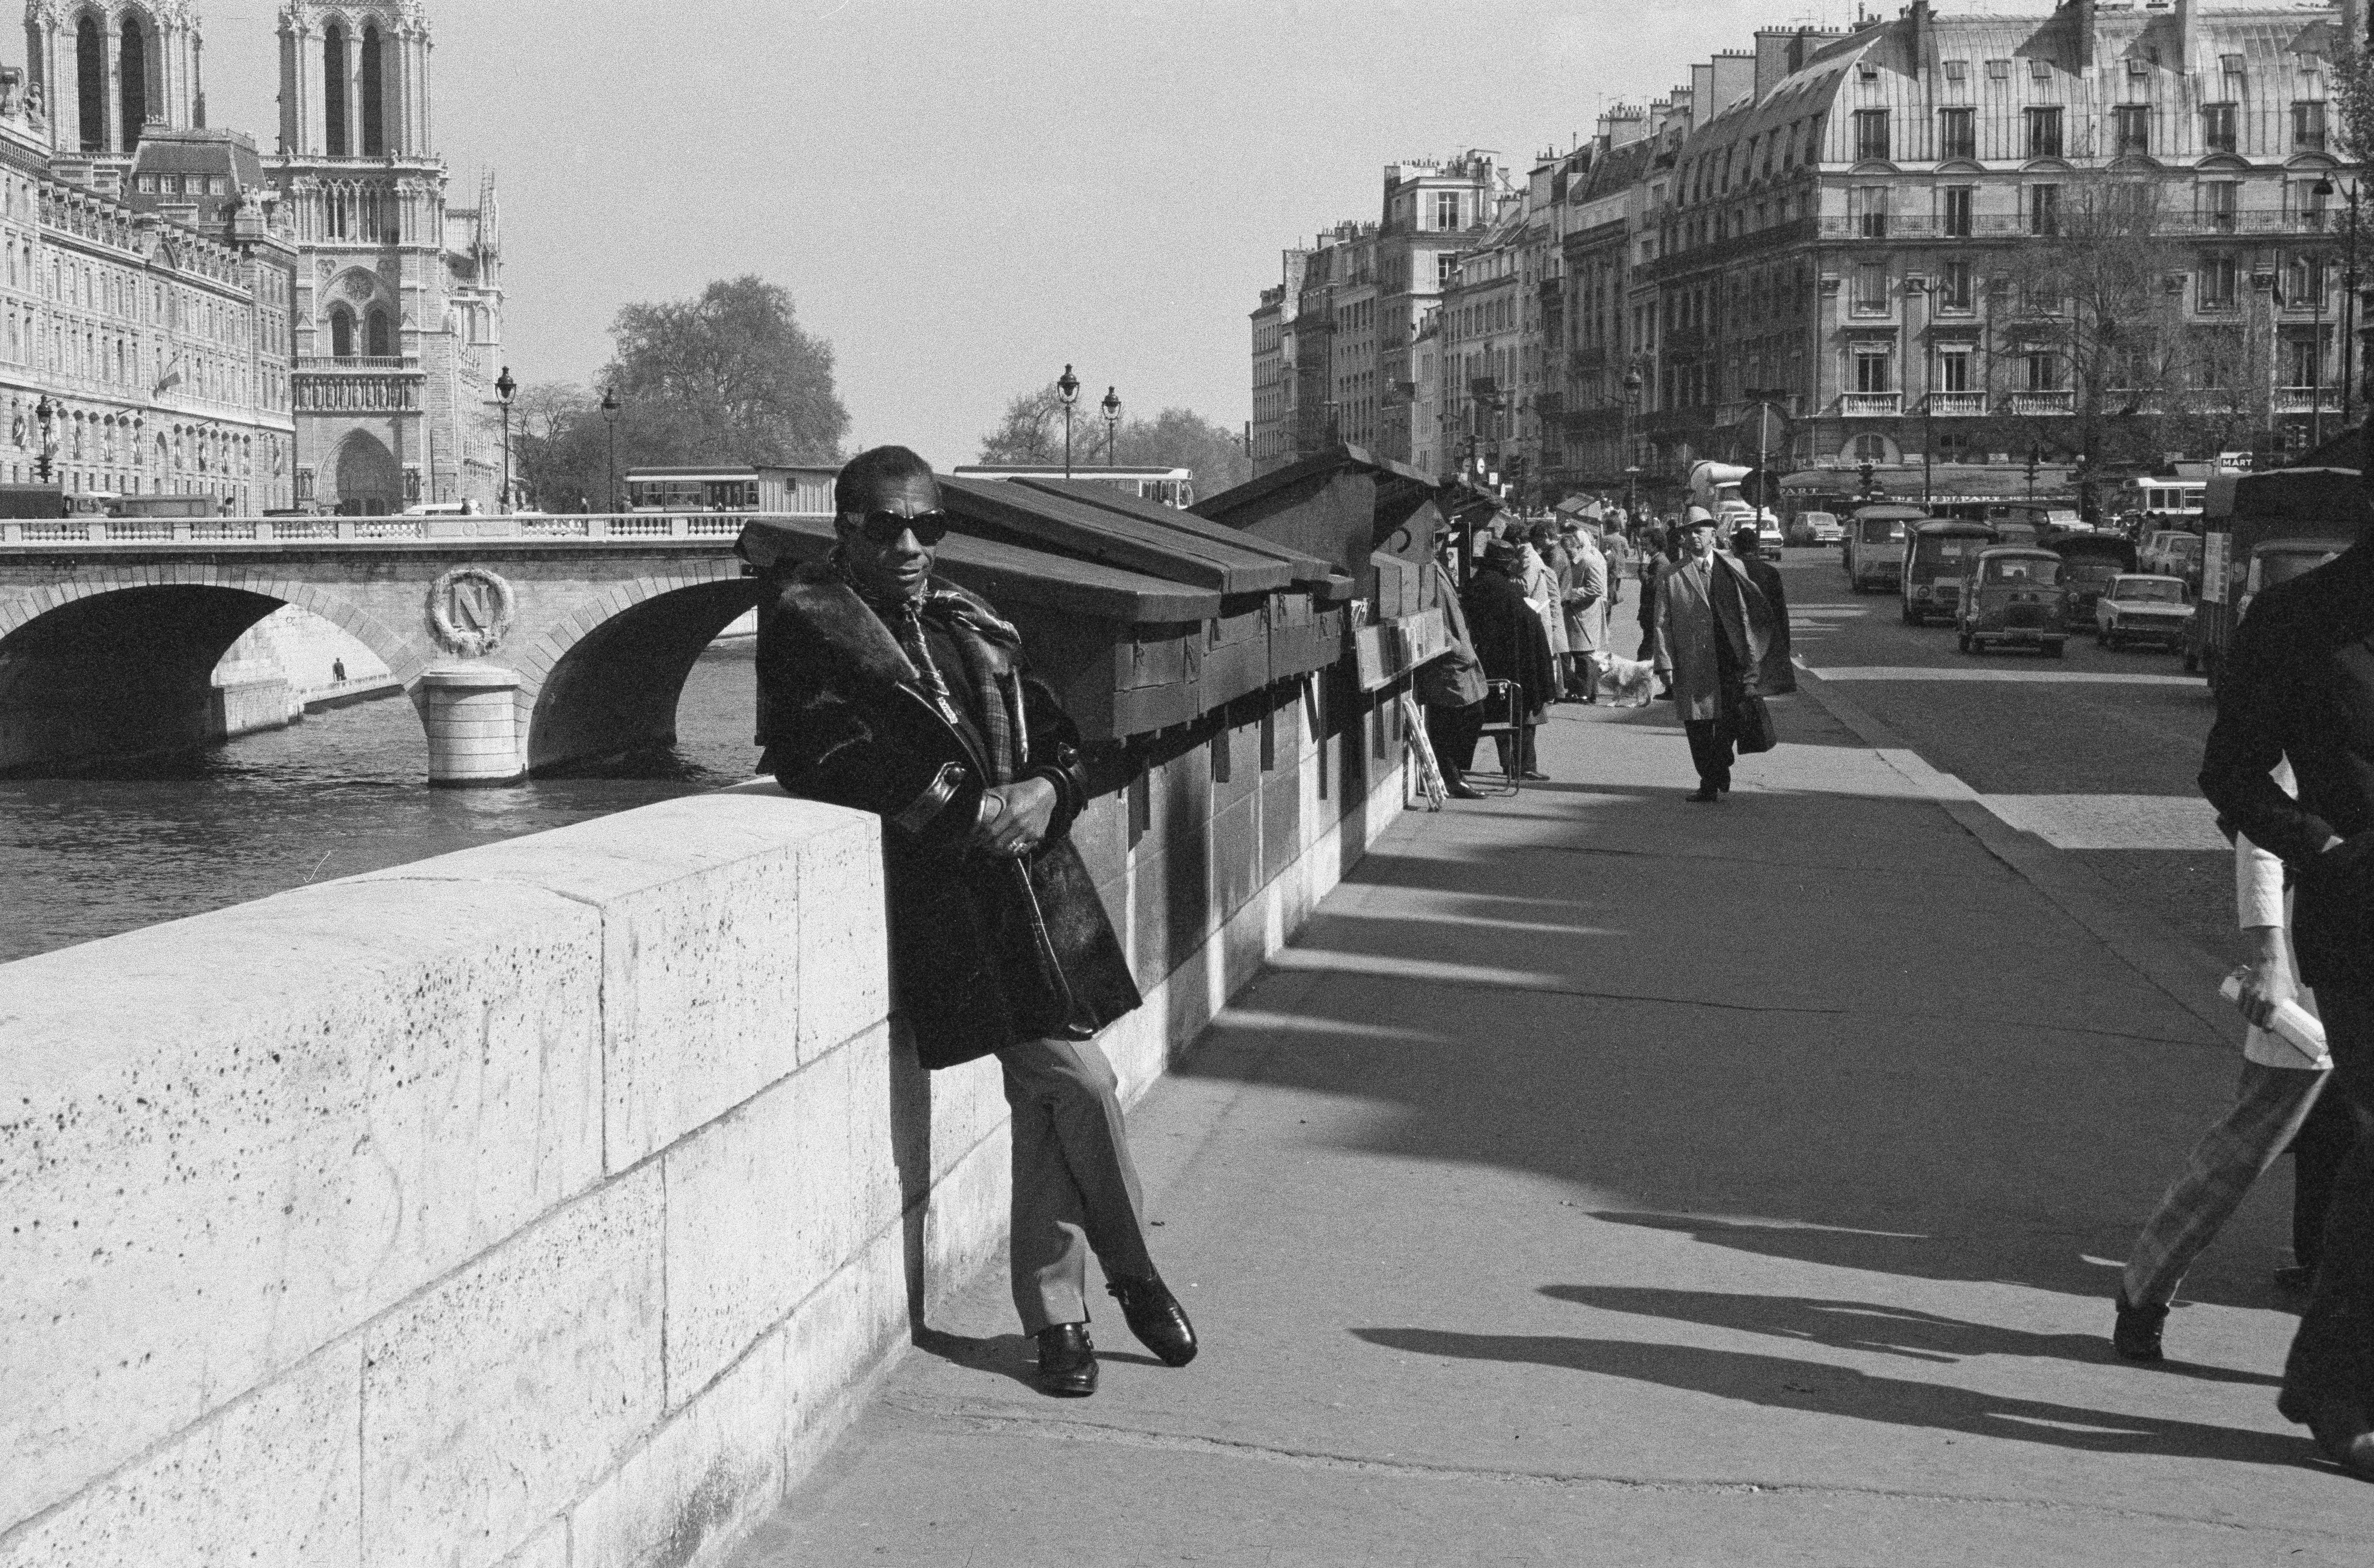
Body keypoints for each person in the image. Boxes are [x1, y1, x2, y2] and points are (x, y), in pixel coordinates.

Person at [755, 445, 1196, 1399]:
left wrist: (1049, 786)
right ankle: (1133, 1269)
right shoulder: (808, 621)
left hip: (1038, 894)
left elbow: (1059, 732)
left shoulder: (974, 619)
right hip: (947, 905)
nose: (909, 544)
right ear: (846, 528)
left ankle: (1058, 1320)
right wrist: (964, 809)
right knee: (1076, 1079)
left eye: (927, 525)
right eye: (886, 526)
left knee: (1047, 1101)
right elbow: (817, 751)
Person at [2196, 439, 2374, 1475]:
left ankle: (2320, 1370)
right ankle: (2343, 1386)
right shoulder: (2300, 621)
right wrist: (2323, 848)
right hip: (2361, 919)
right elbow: (2231, 774)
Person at [2113, 787, 2334, 1361]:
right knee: (2245, 1146)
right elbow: (2261, 831)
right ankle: (2144, 1290)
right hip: (2314, 964)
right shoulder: (2330, 703)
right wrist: (2268, 958)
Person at [1653, 511, 1773, 803]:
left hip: (1730, 660)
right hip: (1691, 660)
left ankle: (1714, 774)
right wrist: (1665, 664)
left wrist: (1754, 656)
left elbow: (1751, 607)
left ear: (1713, 535)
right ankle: (1712, 774)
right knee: (1697, 725)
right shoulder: (1671, 575)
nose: (1695, 536)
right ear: (1683, 537)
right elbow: (1661, 622)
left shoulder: (1732, 566)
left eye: (1701, 531)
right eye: (1690, 532)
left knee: (1730, 719)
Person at [1464, 537, 1555, 782]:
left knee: (1504, 713)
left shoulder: (1479, 585)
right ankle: (1523, 765)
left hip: (1498, 658)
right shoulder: (1504, 588)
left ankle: (1513, 764)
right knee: (1521, 713)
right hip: (1519, 659)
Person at [1416, 540, 1489, 799]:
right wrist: (1457, 647)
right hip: (1449, 659)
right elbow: (1430, 614)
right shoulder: (1429, 569)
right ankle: (1453, 776)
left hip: (1457, 655)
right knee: (1456, 719)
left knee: (1469, 713)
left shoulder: (1436, 567)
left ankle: (1456, 772)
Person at [1730, 524, 1797, 695]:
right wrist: (1785, 643)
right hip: (1765, 636)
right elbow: (1780, 612)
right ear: (1756, 547)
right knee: (1761, 687)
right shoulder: (1770, 572)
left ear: (1736, 548)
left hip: (1736, 637)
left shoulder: (1730, 572)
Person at [1563, 522, 1609, 702]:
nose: (1568, 556)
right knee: (1581, 654)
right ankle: (1586, 691)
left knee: (1585, 655)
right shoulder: (1580, 560)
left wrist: (1571, 593)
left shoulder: (1590, 561)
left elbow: (1596, 589)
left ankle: (1585, 693)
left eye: (1570, 552)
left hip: (1585, 615)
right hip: (1578, 614)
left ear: (1579, 547)